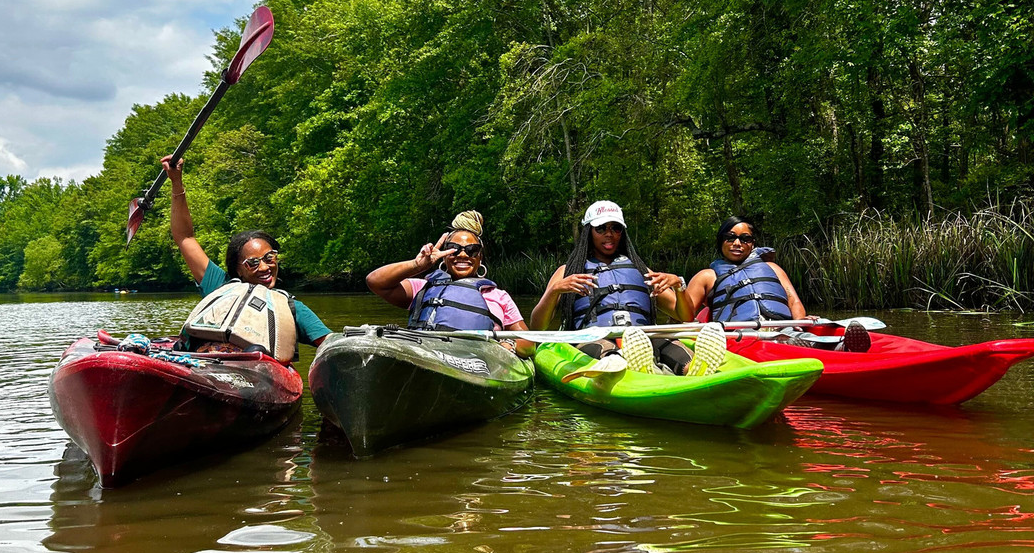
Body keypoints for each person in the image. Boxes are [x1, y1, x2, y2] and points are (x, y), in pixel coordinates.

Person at [161, 154, 330, 352]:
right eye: (253, 262)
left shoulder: (291, 308)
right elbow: (185, 238)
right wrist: (176, 182)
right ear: (238, 270)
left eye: (269, 258)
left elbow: (329, 343)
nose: (265, 267)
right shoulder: (219, 286)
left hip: (254, 370)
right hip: (207, 363)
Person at [530, 201, 713, 374]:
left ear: (622, 233)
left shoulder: (641, 270)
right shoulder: (568, 271)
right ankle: (621, 364)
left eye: (615, 228)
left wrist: (678, 286)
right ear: (589, 232)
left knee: (672, 348)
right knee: (608, 352)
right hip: (594, 337)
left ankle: (696, 369)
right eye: (601, 228)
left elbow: (685, 316)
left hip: (643, 336)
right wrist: (555, 291)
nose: (609, 234)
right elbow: (537, 326)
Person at [684, 216, 869, 351]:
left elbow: (793, 301)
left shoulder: (772, 267)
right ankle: (804, 347)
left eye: (745, 239)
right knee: (787, 340)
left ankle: (842, 346)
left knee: (798, 336)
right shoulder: (706, 276)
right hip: (740, 336)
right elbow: (683, 313)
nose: (737, 243)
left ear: (752, 244)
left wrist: (799, 322)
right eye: (730, 237)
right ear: (721, 241)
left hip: (782, 326)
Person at [365, 211, 532, 356]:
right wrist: (417, 265)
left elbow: (529, 342)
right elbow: (375, 281)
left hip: (477, 361)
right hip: (426, 355)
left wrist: (510, 345)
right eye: (454, 248)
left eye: (471, 250)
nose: (463, 255)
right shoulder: (422, 287)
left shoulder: (498, 296)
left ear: (480, 257)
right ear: (444, 255)